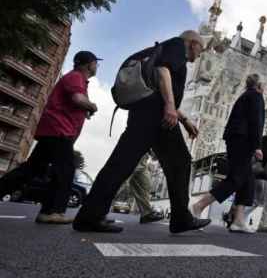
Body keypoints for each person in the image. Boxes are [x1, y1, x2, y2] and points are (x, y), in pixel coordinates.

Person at [73, 31, 210, 234]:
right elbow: (163, 71)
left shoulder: (170, 49)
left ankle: (90, 215)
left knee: (140, 162)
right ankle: (89, 217)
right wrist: (171, 107)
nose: (200, 54)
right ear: (192, 43)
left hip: (150, 114)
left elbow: (159, 87)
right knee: (129, 163)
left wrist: (184, 118)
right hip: (155, 116)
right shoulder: (176, 45)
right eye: (201, 48)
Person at [0, 51, 99, 224]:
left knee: (32, 169)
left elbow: (75, 102)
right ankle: (53, 211)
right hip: (58, 129)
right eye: (95, 63)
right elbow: (77, 98)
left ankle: (48, 210)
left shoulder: (78, 79)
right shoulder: (76, 76)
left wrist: (85, 109)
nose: (97, 66)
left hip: (55, 130)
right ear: (88, 64)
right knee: (65, 170)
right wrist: (92, 106)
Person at [190, 74, 266, 233]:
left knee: (247, 180)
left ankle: (238, 220)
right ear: (259, 85)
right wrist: (257, 146)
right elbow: (256, 122)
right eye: (263, 85)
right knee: (236, 179)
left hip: (235, 139)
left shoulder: (244, 96)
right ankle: (199, 205)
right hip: (243, 141)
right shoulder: (256, 96)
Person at [116, 152, 164, 224]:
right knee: (121, 183)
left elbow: (154, 155)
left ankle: (146, 214)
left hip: (143, 159)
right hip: (133, 154)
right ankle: (98, 208)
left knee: (145, 185)